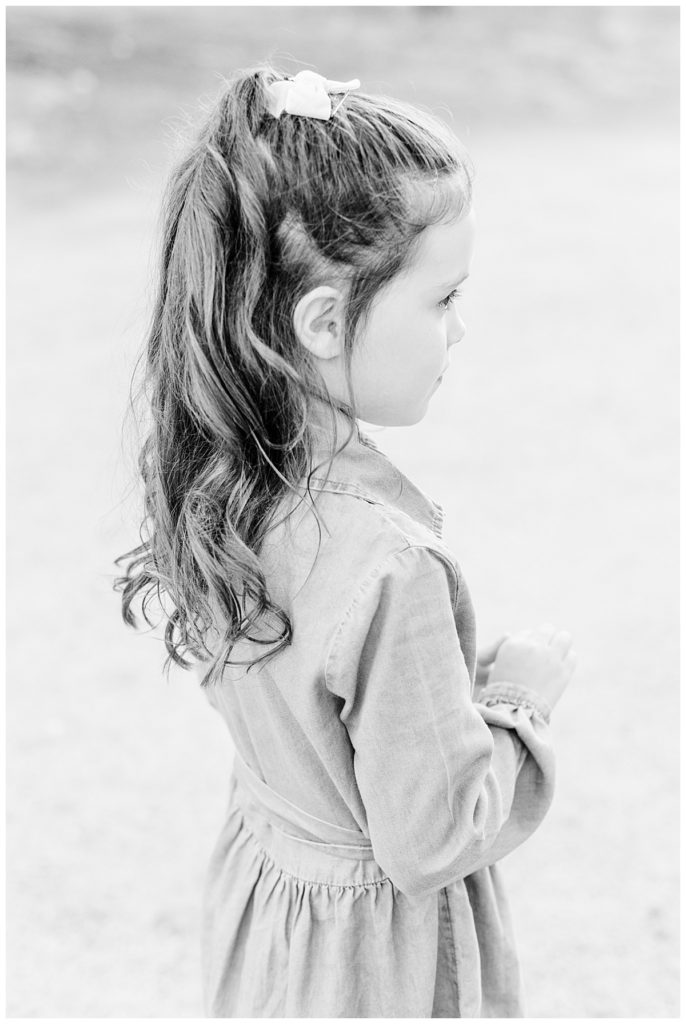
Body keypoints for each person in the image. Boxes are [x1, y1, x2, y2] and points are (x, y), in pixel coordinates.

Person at [116, 65, 577, 1018]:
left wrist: (447, 702)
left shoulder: (222, 478)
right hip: (380, 968)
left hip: (277, 922)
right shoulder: (391, 565)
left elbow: (322, 725)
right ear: (324, 322)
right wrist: (516, 700)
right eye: (443, 299)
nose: (460, 330)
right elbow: (431, 834)